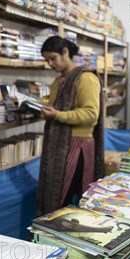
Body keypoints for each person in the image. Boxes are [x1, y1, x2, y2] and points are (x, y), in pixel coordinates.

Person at [36, 36, 105, 215]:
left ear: (65, 52)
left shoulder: (86, 78)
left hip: (78, 145)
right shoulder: (58, 82)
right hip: (58, 145)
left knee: (66, 196)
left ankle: (65, 234)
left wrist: (57, 115)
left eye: (53, 58)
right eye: (47, 60)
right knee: (54, 195)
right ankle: (50, 232)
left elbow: (91, 115)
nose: (50, 64)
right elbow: (55, 108)